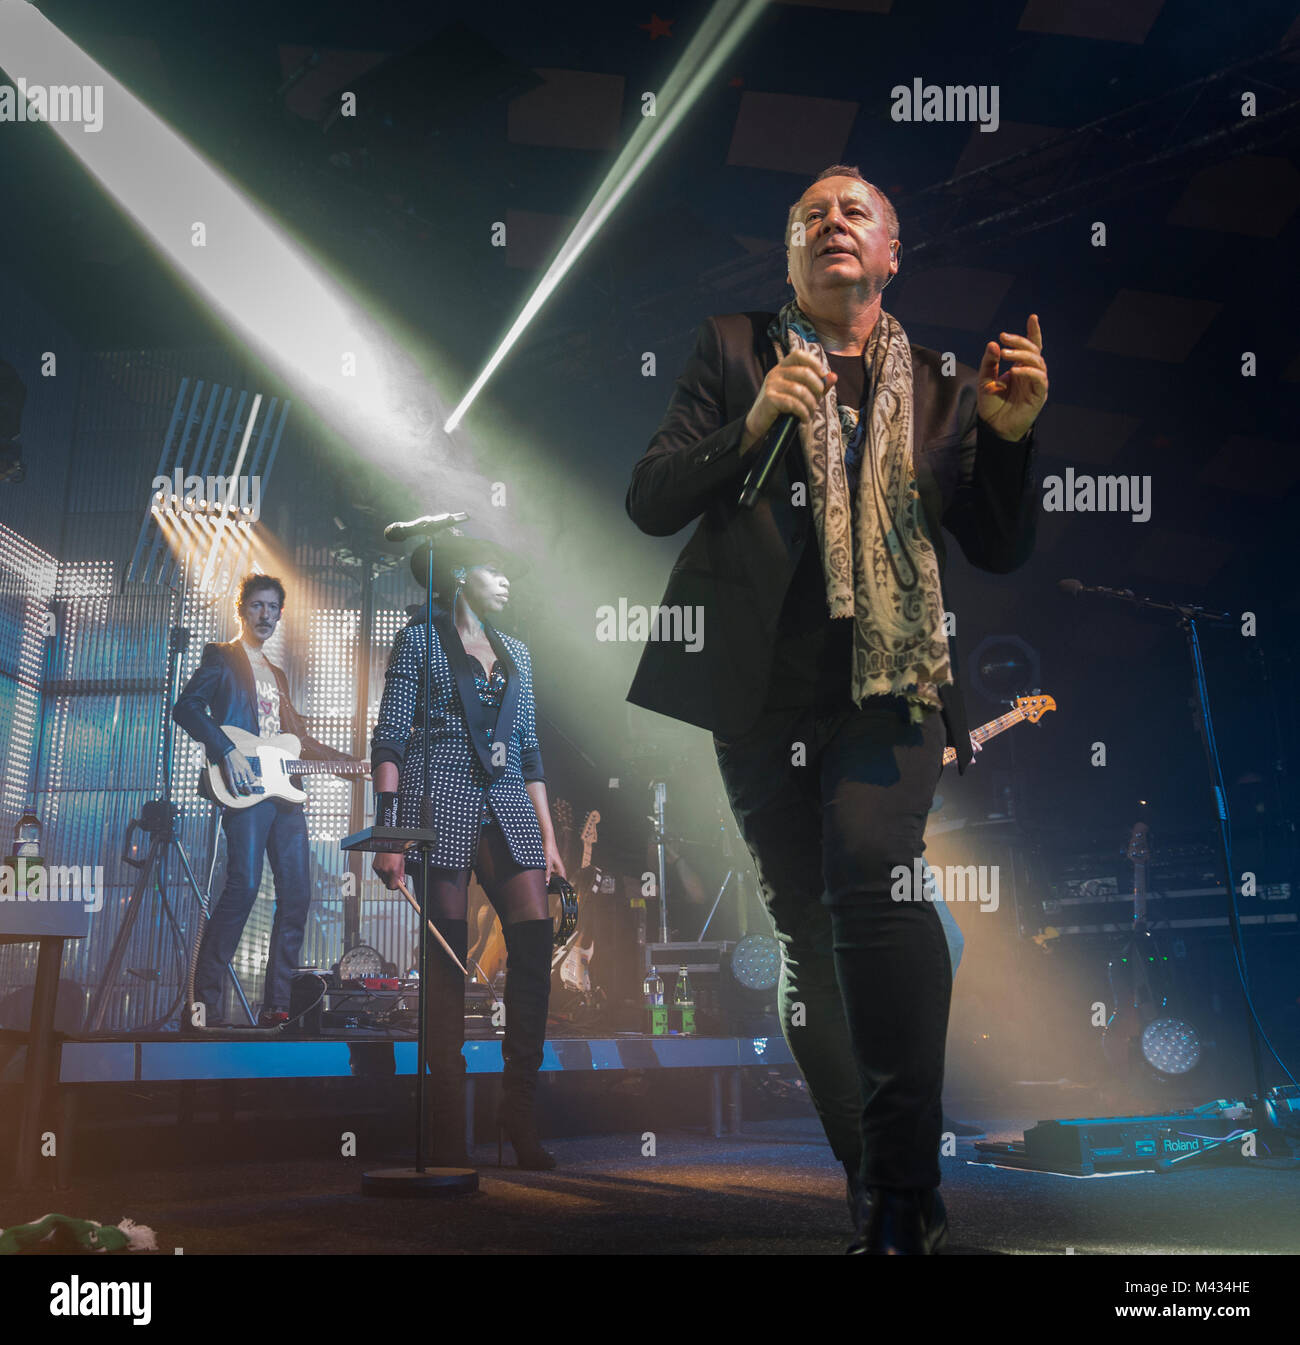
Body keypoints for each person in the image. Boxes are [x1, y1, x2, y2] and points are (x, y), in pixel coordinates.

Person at [625, 165, 1048, 1253]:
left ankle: (905, 1189)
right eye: (809, 215)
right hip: (760, 690)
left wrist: (1011, 439)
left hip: (890, 686)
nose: (831, 224)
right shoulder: (732, 351)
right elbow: (652, 498)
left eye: (853, 210)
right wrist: (755, 415)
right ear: (788, 258)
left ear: (891, 252)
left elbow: (997, 546)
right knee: (806, 935)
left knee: (873, 873)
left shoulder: (951, 390)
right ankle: (871, 1174)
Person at [370, 532, 565, 1170]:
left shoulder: (519, 653)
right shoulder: (422, 639)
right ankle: (447, 1120)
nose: (507, 580)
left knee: (534, 942)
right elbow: (392, 736)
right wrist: (389, 831)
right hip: (441, 795)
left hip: (508, 800)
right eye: (495, 567)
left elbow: (530, 749)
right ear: (460, 576)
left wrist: (551, 838)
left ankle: (519, 1108)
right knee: (449, 956)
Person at [174, 573, 355, 1028]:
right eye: (258, 605)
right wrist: (226, 749)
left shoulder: (277, 674)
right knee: (244, 887)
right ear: (242, 609)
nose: (266, 615)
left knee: (297, 895)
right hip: (246, 788)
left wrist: (350, 763)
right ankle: (205, 1002)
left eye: (274, 608)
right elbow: (186, 707)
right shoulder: (222, 657)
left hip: (285, 796)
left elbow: (299, 740)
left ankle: (277, 1004)